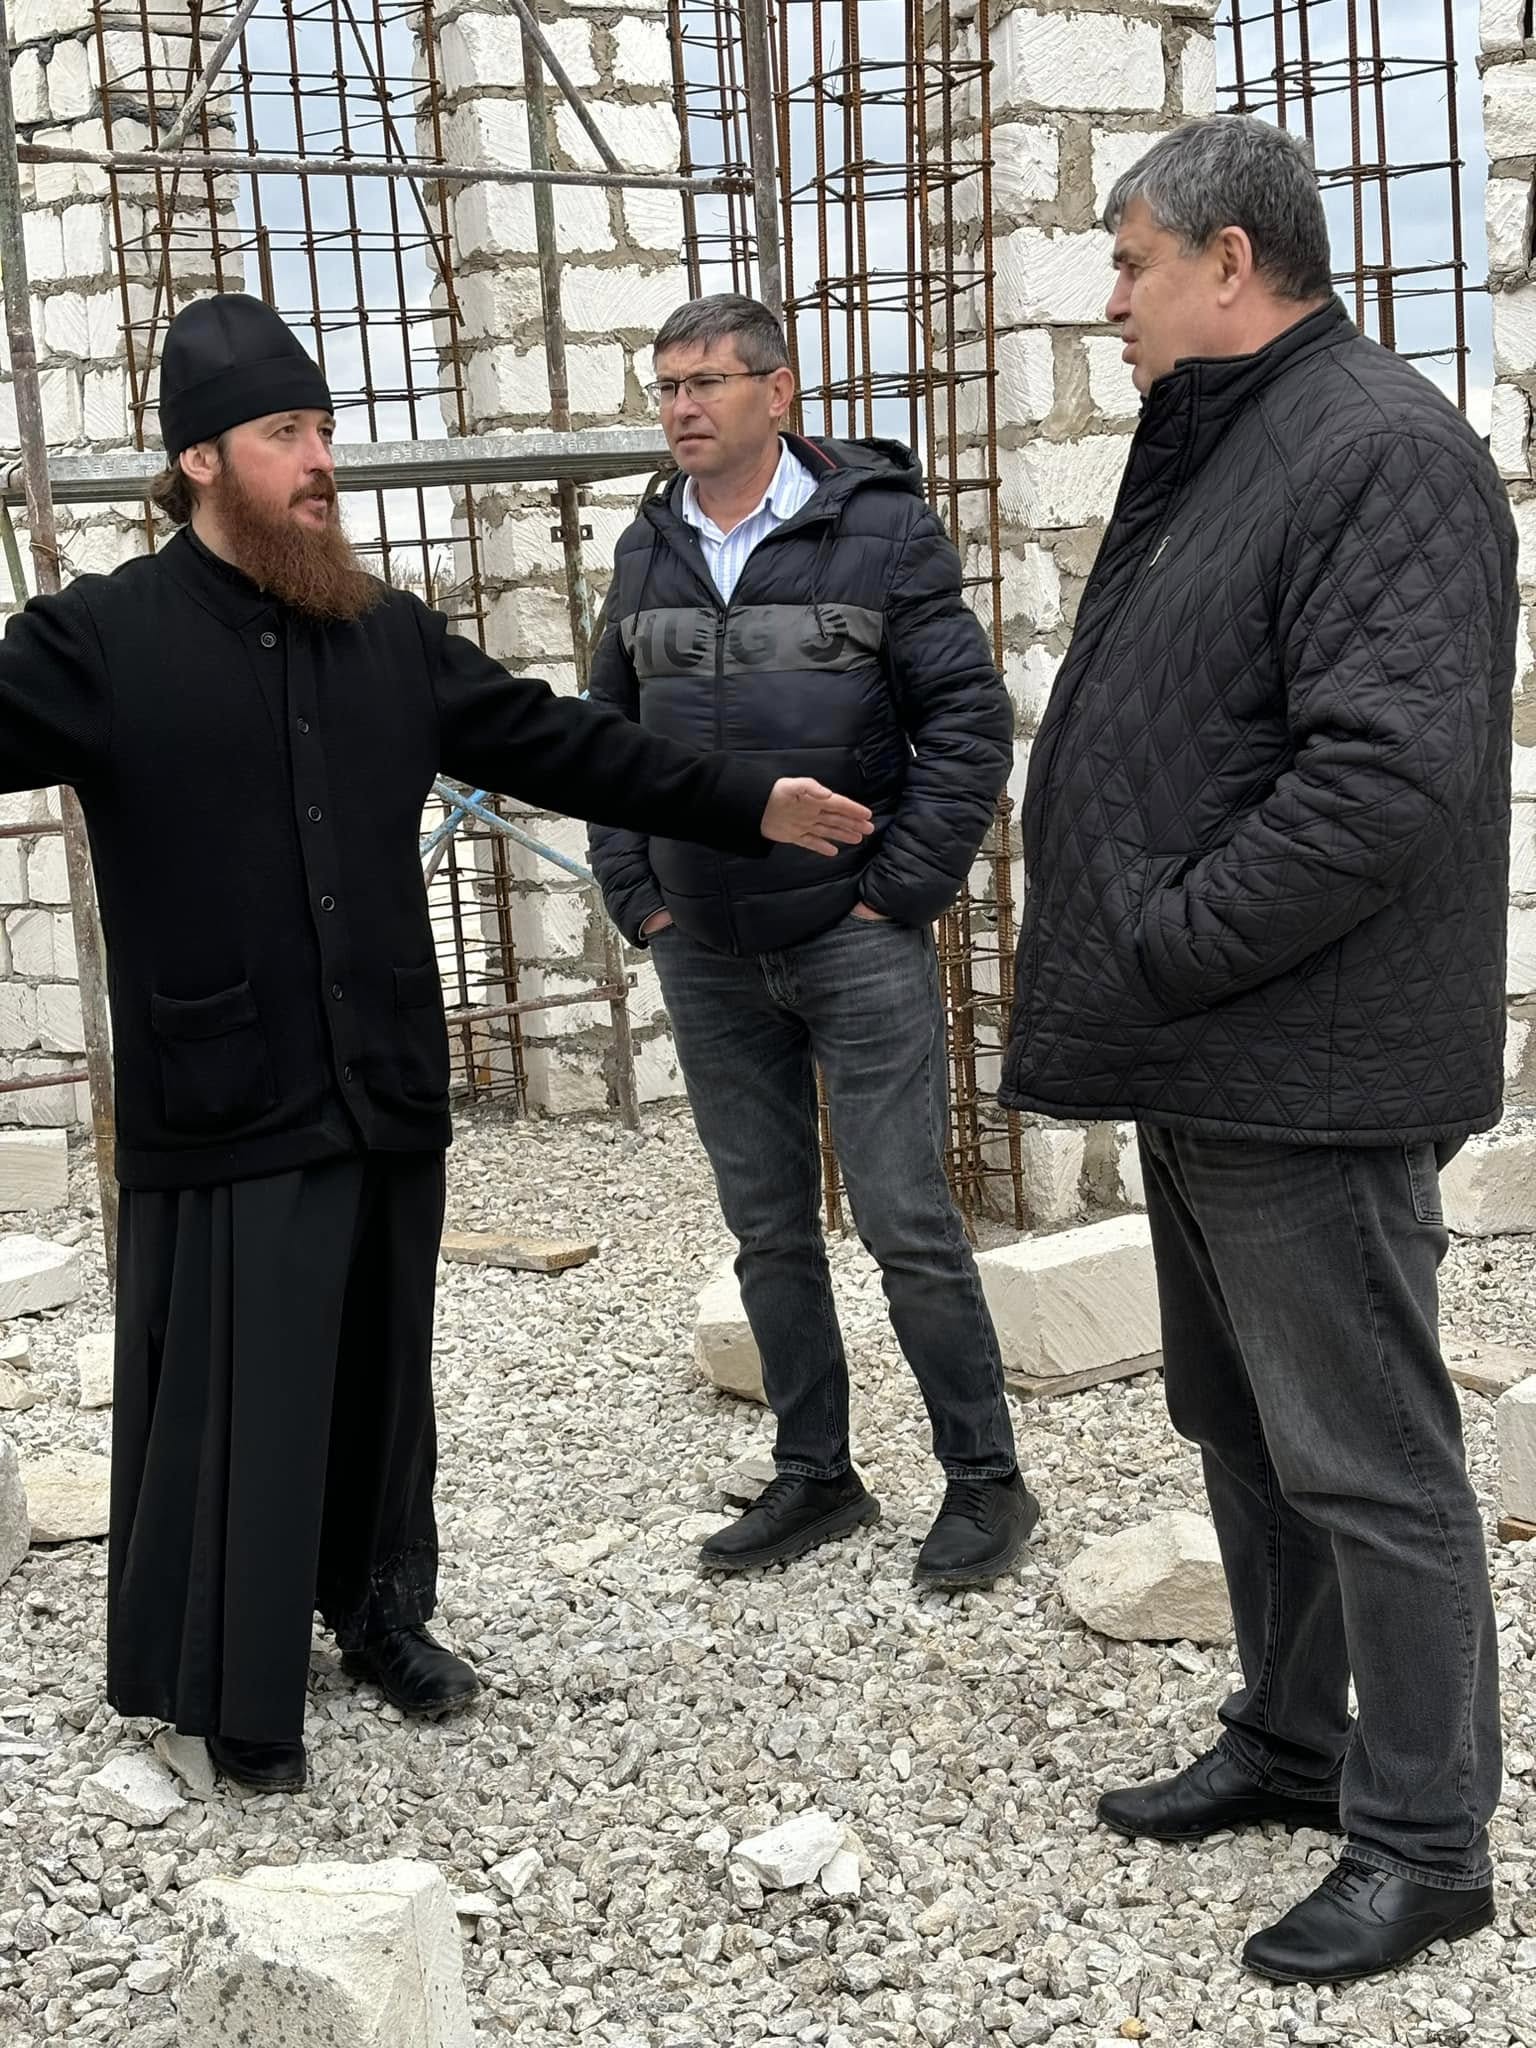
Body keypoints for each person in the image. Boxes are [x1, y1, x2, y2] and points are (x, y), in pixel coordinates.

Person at [0, 293, 872, 1793]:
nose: (321, 461)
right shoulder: (99, 640)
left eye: (325, 430)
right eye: (287, 434)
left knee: (378, 1382)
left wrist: (748, 800)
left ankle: (381, 1617)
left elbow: (562, 741)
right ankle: (233, 1686)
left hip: (380, 1076)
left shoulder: (382, 632)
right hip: (229, 1091)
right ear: (200, 459)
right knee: (243, 1399)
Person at [1000, 116, 1514, 1982]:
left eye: (1131, 261)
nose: (1109, 301)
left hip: (1303, 1058)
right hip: (1216, 1052)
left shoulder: (1379, 449)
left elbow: (1384, 774)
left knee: (1369, 1456)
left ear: (1231, 261)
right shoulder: (1239, 436)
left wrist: (1173, 935)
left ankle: (1428, 1841)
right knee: (1242, 1425)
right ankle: (1296, 1741)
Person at [588, 292, 1039, 1590]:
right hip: (704, 947)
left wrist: (895, 892)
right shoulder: (650, 545)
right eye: (667, 385)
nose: (681, 407)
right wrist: (640, 893)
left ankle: (986, 1483)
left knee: (906, 1219)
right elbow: (604, 738)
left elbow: (968, 721)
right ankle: (816, 1474)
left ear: (777, 393)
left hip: (852, 937)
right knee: (768, 1230)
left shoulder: (879, 531)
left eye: (707, 383)